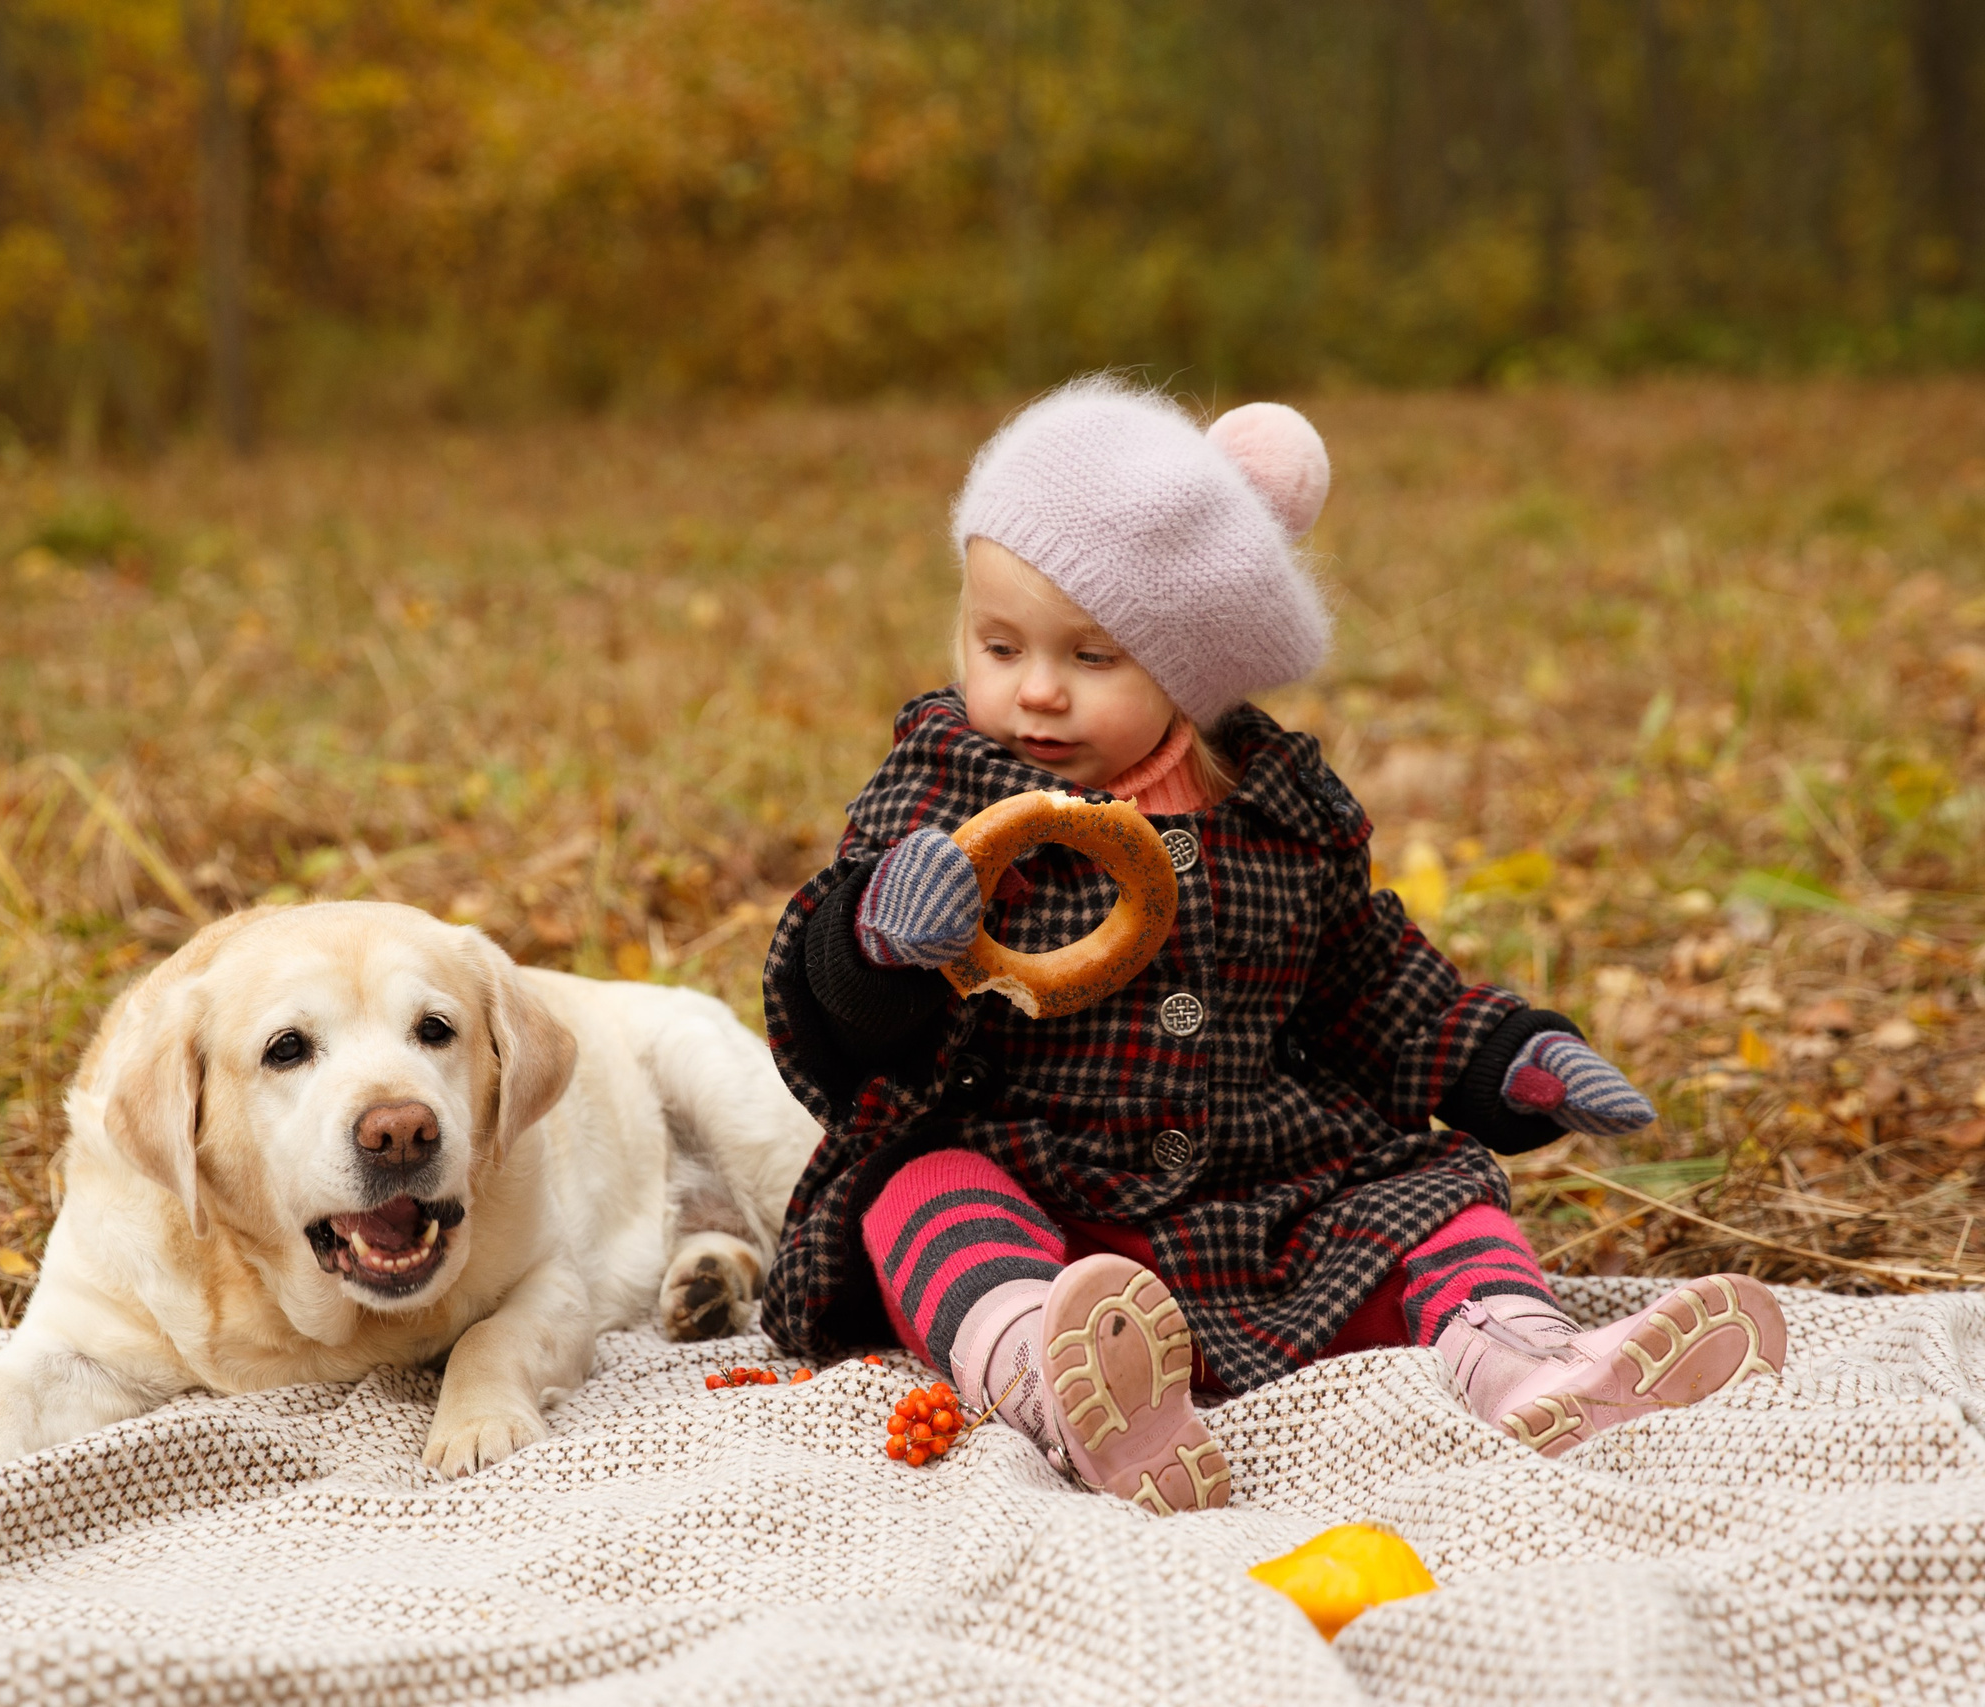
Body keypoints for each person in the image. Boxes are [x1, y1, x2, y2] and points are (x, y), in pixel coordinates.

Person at [758, 376, 1786, 1514]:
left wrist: (1504, 1056)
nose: (1033, 693)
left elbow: (1374, 984)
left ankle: (1527, 1360)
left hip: (1255, 1196)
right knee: (916, 1188)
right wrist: (873, 943)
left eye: (1091, 659)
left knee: (1438, 1190)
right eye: (997, 645)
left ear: (1188, 679)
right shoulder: (942, 791)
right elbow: (827, 1018)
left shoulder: (1277, 818)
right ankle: (1046, 1373)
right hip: (1036, 1179)